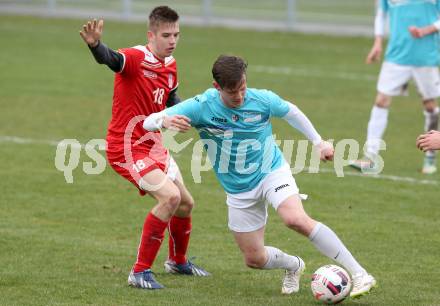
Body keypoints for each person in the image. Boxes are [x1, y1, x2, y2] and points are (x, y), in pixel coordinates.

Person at [143, 55, 377, 297]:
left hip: (271, 171)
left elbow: (292, 112)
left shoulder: (262, 99)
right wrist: (165, 119)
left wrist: (318, 143)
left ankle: (360, 274)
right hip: (238, 189)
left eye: (243, 88)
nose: (240, 96)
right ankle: (293, 265)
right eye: (233, 92)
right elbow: (148, 122)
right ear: (217, 88)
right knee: (254, 259)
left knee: (294, 219)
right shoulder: (201, 106)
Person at [79, 6, 209, 290]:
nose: (172, 40)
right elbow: (111, 59)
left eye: (176, 34)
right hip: (125, 147)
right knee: (170, 198)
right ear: (151, 35)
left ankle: (177, 261)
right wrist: (96, 45)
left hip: (153, 146)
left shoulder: (171, 64)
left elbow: (172, 98)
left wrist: (197, 118)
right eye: (166, 35)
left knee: (186, 203)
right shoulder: (137, 57)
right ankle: (139, 272)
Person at [349, 0, 440, 174]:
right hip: (396, 56)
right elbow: (381, 14)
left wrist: (425, 30)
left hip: (425, 57)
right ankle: (371, 158)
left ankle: (430, 157)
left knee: (429, 105)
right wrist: (377, 43)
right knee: (381, 101)